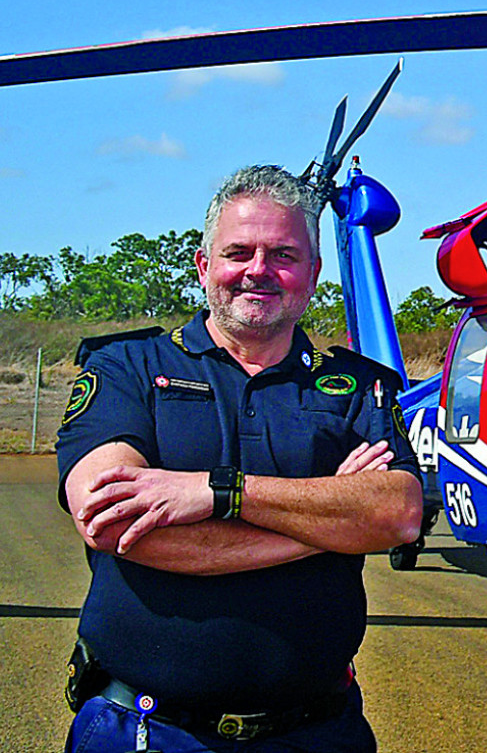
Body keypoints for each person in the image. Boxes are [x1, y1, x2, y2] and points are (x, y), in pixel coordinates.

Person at [55, 165, 424, 752]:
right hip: (145, 729)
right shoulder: (127, 368)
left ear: (312, 273)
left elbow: (399, 514)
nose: (259, 270)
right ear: (204, 267)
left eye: (283, 253)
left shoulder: (356, 387)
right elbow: (116, 521)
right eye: (238, 252)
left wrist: (219, 491)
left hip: (317, 730)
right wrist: (331, 524)